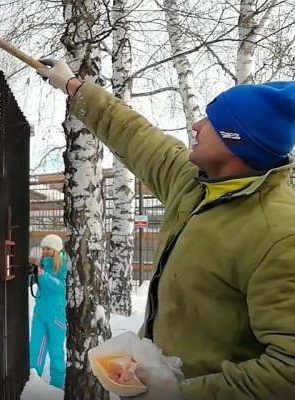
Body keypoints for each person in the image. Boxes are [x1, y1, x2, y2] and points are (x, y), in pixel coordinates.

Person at [37, 59, 295, 399]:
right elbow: (136, 135)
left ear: (237, 141)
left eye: (214, 122)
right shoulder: (192, 183)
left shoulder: (279, 234)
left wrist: (180, 393)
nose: (198, 125)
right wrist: (75, 87)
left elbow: (287, 371)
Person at [29, 234, 68, 390]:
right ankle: (34, 382)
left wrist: (41, 275)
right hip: (40, 314)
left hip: (56, 316)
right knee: (36, 349)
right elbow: (32, 282)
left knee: (56, 352)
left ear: (56, 250)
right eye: (43, 248)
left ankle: (57, 387)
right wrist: (30, 272)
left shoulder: (62, 265)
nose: (44, 251)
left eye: (48, 248)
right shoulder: (42, 265)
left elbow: (59, 286)